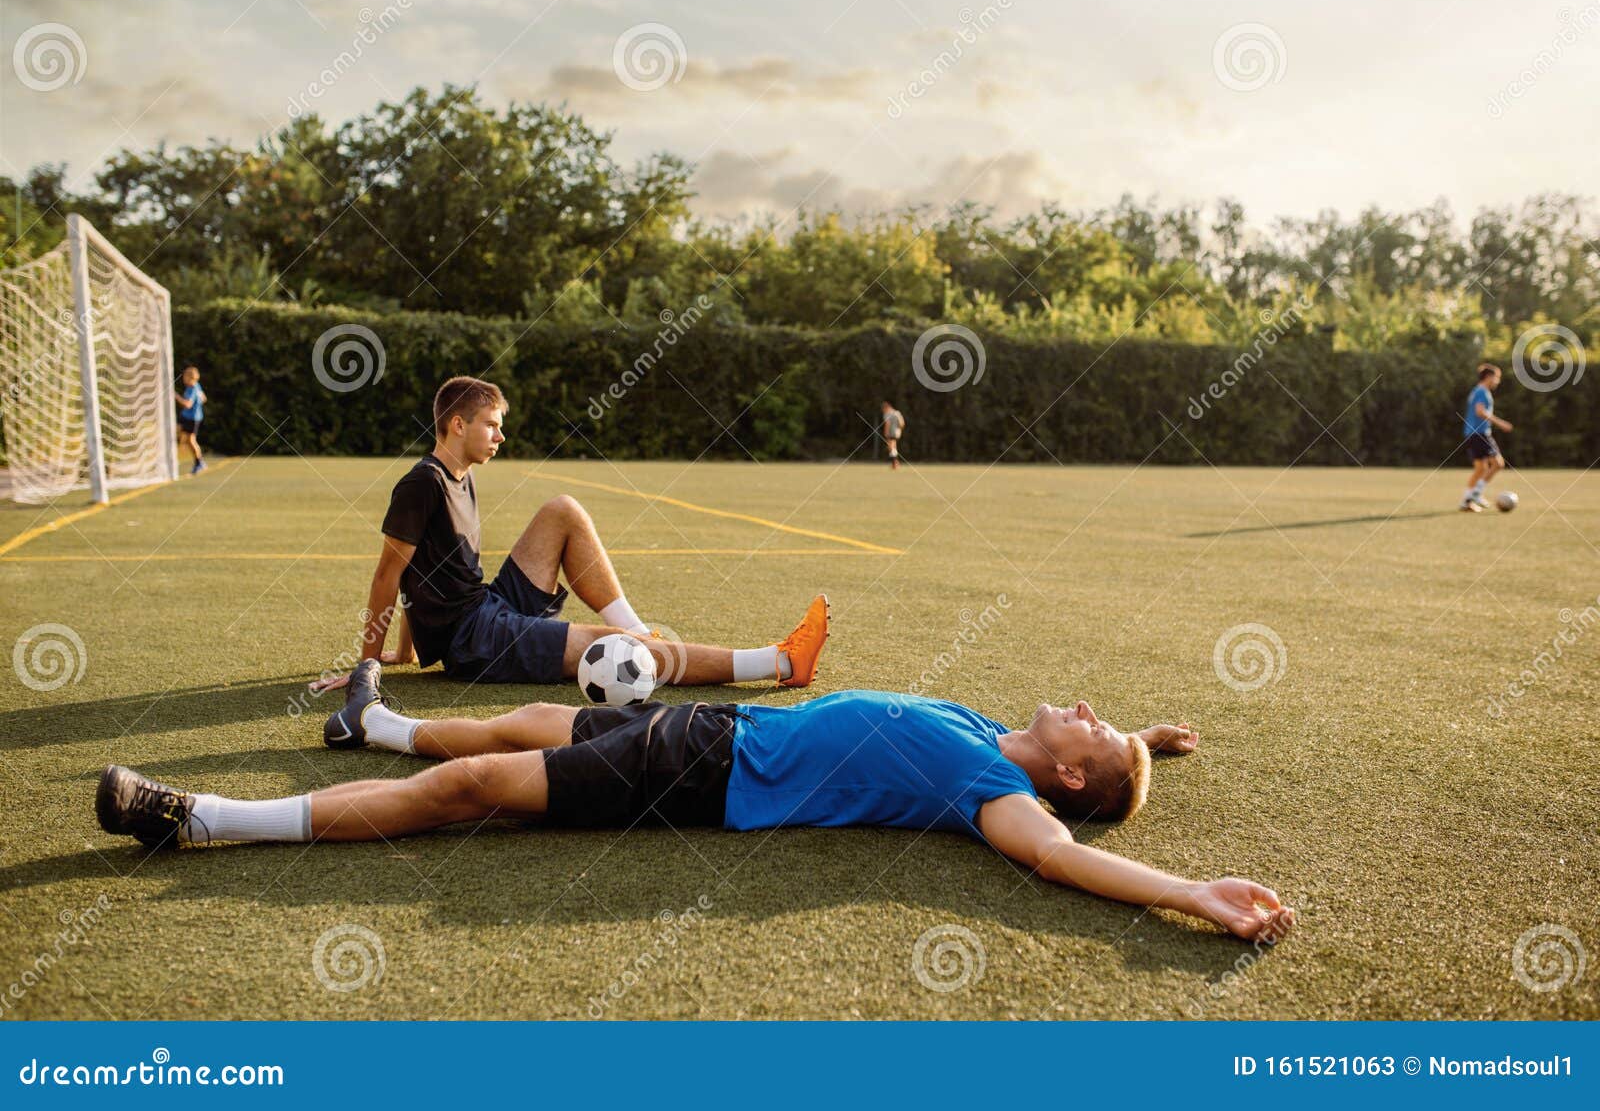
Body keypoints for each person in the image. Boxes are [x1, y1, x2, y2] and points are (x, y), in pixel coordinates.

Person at [95, 668, 1294, 942]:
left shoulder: (996, 788)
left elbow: (1052, 860)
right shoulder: (991, 733)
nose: (1088, 708)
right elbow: (1103, 772)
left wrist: (1188, 890)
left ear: (1068, 779)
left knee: (466, 793)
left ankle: (200, 817)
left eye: (1097, 731)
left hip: (697, 779)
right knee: (510, 725)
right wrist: (1151, 748)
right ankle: (377, 724)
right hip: (709, 729)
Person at [310, 375, 830, 694]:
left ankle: (639, 628)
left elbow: (421, 578)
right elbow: (388, 576)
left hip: (486, 606)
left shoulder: (458, 477)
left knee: (563, 510)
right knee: (618, 650)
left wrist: (409, 651)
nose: (500, 435)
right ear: (455, 425)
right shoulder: (422, 482)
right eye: (491, 424)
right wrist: (368, 667)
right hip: (475, 640)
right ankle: (781, 661)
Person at [1459, 362, 1512, 512]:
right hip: (1480, 433)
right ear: (1488, 377)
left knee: (1480, 469)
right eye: (1497, 378)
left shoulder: (1476, 390)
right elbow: (1480, 411)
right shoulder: (1482, 392)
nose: (1498, 381)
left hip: (1471, 434)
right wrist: (1501, 423)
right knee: (1498, 463)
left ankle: (1466, 502)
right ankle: (1476, 494)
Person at [174, 365, 206, 474]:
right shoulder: (197, 386)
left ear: (191, 377)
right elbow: (203, 398)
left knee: (191, 440)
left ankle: (199, 462)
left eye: (185, 376)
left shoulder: (192, 389)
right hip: (186, 416)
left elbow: (188, 404)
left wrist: (176, 396)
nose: (183, 378)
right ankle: (175, 457)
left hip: (192, 418)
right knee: (178, 435)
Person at [881, 401, 906, 471]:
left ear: (886, 407)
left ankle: (895, 463)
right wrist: (899, 430)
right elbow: (902, 423)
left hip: (891, 433)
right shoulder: (897, 413)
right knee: (894, 447)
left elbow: (887, 423)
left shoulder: (887, 414)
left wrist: (886, 433)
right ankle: (895, 463)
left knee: (891, 448)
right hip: (897, 433)